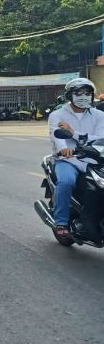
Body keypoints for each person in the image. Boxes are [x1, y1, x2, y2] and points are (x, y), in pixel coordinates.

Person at [48, 78, 104, 239]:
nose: (83, 96)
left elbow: (100, 137)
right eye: (78, 93)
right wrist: (63, 149)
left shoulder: (99, 115)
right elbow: (57, 137)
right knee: (66, 182)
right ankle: (61, 221)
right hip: (69, 160)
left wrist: (74, 134)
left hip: (95, 159)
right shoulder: (57, 115)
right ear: (69, 95)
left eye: (87, 93)